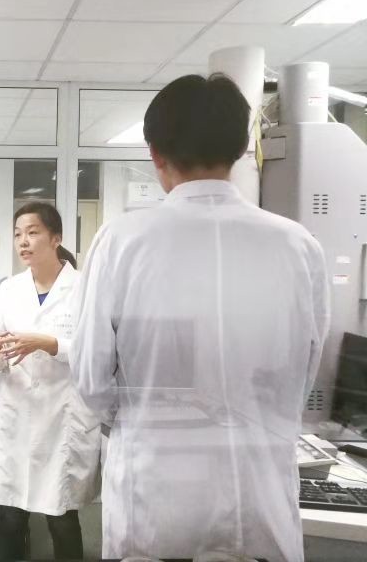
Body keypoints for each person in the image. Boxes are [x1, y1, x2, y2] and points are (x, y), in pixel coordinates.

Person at [70, 74, 331, 562]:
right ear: (241, 149)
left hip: (155, 507)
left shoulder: (122, 241)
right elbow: (304, 371)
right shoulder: (299, 246)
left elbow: (91, 380)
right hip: (259, 505)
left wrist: (141, 417)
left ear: (155, 153)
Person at [0, 202, 100, 560]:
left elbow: (96, 351)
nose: (23, 241)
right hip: (17, 416)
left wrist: (48, 343)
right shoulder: (10, 289)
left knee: (61, 516)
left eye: (32, 232)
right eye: (17, 234)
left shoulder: (84, 288)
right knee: (11, 516)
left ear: (56, 238)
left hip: (61, 418)